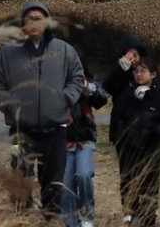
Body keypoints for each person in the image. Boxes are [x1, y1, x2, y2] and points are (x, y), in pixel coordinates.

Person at [0, 0, 86, 221]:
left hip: (56, 129)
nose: (34, 23)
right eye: (29, 18)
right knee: (20, 178)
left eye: (39, 19)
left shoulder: (63, 50)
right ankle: (21, 218)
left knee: (52, 183)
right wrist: (9, 105)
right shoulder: (8, 53)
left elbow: (77, 77)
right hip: (21, 130)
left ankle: (49, 220)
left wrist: (66, 99)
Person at [112, 56, 160, 227]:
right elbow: (117, 118)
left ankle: (148, 218)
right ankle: (129, 214)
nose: (139, 74)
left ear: (153, 74)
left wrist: (155, 132)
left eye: (143, 71)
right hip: (129, 148)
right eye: (137, 71)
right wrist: (123, 136)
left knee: (150, 183)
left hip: (151, 149)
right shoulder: (127, 96)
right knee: (128, 180)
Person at [63, 66, 111, 227]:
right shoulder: (56, 80)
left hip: (85, 139)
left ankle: (86, 216)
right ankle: (71, 223)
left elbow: (101, 100)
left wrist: (87, 87)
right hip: (63, 140)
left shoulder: (88, 82)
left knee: (84, 175)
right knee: (66, 185)